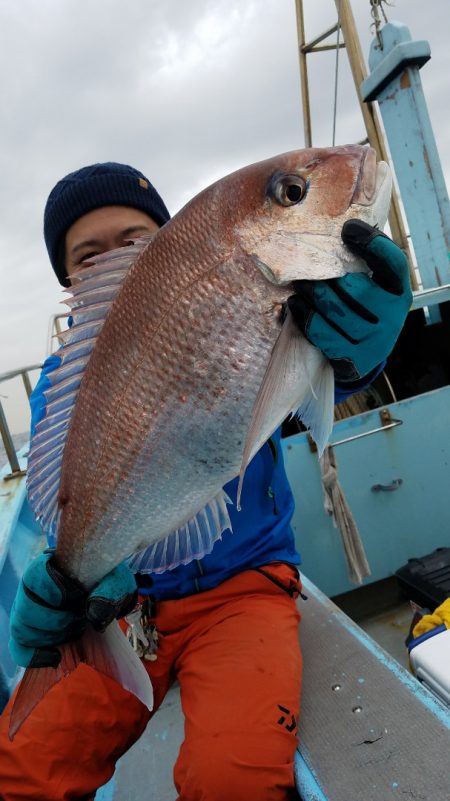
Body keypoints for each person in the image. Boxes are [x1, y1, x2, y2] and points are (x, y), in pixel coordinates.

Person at [0, 162, 412, 800]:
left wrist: (364, 345)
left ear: (178, 245)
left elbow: (324, 365)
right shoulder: (62, 385)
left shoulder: (273, 307)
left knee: (231, 780)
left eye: (138, 242)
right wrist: (72, 576)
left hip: (243, 590)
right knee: (18, 769)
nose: (117, 260)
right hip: (131, 605)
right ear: (70, 282)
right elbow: (67, 493)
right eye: (88, 255)